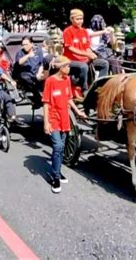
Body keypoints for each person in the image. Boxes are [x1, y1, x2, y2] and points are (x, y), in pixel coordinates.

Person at [42, 56, 86, 193]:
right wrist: (46, 122)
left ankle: (58, 171)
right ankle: (55, 178)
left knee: (62, 147)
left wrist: (78, 111)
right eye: (67, 66)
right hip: (53, 118)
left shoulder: (67, 80)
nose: (69, 69)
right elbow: (46, 102)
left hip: (64, 118)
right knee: (58, 146)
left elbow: (69, 98)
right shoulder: (50, 81)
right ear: (60, 68)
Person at [63, 9, 105, 99]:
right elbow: (70, 48)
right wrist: (87, 55)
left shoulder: (84, 31)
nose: (80, 21)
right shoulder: (67, 31)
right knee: (83, 66)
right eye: (77, 19)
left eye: (81, 19)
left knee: (104, 63)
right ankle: (84, 89)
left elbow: (87, 47)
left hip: (84, 59)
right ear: (72, 19)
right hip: (70, 60)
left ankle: (99, 86)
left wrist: (91, 54)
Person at [14, 36, 44, 108]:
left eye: (26, 44)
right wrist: (28, 56)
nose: (24, 46)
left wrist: (39, 73)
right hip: (25, 74)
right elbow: (19, 62)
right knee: (26, 77)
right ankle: (38, 99)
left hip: (37, 72)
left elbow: (42, 64)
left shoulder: (39, 51)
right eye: (23, 45)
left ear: (32, 44)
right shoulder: (20, 53)